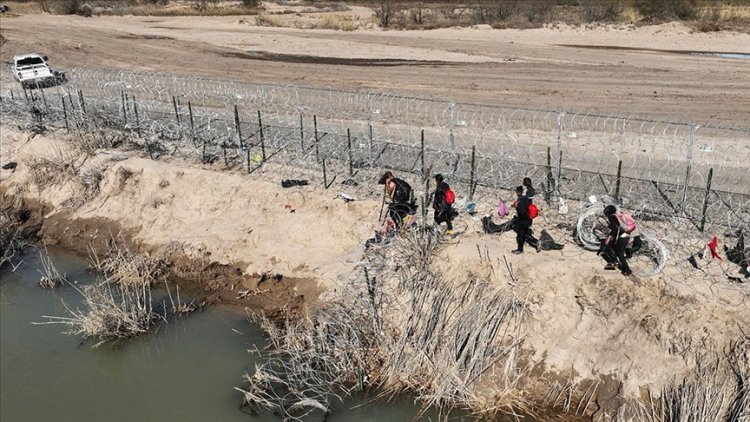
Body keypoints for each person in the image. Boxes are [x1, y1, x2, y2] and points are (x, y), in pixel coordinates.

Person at [601, 205, 632, 276]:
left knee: (619, 253)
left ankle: (627, 270)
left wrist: (609, 237)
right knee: (614, 249)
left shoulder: (612, 217)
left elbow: (615, 229)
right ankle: (617, 262)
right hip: (626, 234)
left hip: (623, 236)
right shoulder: (618, 215)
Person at [511, 186, 537, 254]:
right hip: (529, 219)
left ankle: (520, 250)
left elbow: (522, 211)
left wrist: (516, 207)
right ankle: (536, 243)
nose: (516, 193)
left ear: (518, 192)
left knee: (520, 235)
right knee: (524, 234)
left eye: (516, 192)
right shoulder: (526, 198)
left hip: (523, 220)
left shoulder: (520, 199)